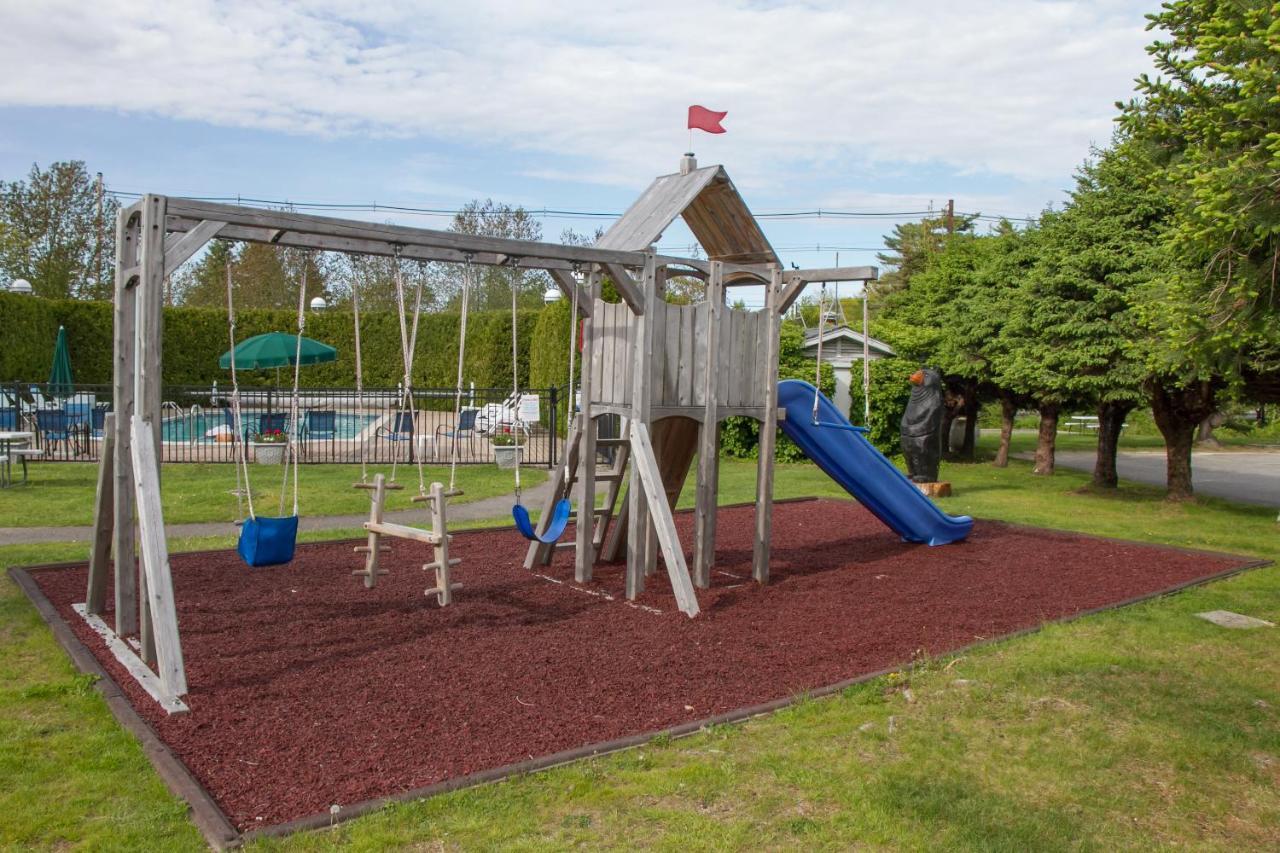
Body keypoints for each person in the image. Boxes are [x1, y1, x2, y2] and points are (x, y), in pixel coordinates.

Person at [900, 367, 944, 483]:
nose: (916, 375)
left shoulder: (934, 400)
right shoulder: (913, 399)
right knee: (907, 449)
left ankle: (926, 474)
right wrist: (905, 426)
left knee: (923, 451)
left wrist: (917, 429)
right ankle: (912, 472)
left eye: (924, 375)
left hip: (924, 435)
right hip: (909, 434)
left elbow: (930, 420)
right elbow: (907, 414)